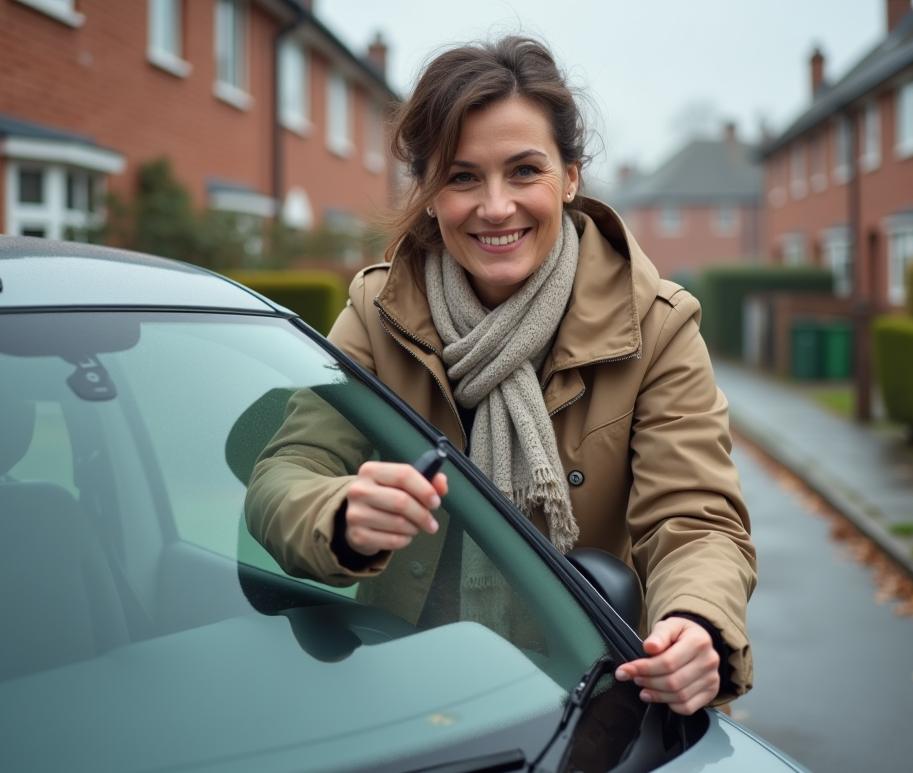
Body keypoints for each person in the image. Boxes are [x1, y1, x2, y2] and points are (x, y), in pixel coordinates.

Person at [246, 36, 755, 714]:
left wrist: (697, 622)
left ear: (570, 176)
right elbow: (283, 475)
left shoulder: (656, 325)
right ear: (429, 194)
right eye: (462, 177)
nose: (494, 206)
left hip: (588, 706)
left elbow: (697, 521)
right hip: (404, 697)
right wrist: (339, 515)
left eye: (524, 171)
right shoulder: (376, 313)